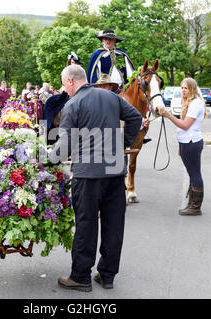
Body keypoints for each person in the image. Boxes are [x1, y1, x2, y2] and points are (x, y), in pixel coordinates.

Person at [50, 65, 142, 292]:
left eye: (64, 84)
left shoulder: (72, 105)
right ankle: (107, 275)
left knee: (86, 225)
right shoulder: (111, 97)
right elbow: (136, 117)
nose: (64, 89)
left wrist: (46, 159)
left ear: (71, 81)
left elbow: (63, 147)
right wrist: (123, 144)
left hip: (88, 176)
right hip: (114, 173)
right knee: (113, 225)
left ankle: (80, 276)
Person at [160, 78, 206, 216]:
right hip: (186, 143)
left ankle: (195, 206)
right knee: (192, 173)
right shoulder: (190, 103)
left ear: (192, 88)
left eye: (186, 88)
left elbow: (185, 125)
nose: (183, 90)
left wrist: (168, 115)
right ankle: (192, 203)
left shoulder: (196, 103)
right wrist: (181, 147)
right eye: (182, 88)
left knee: (195, 174)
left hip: (192, 142)